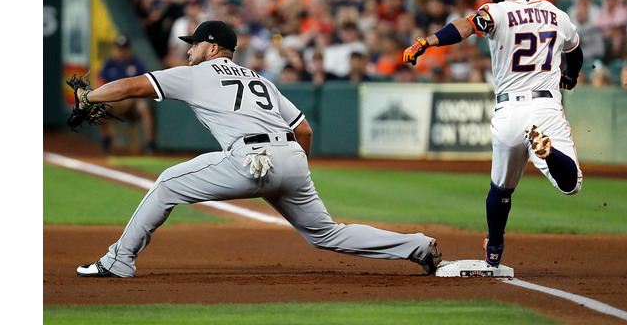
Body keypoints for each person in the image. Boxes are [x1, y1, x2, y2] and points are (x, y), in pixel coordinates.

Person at [76, 20, 442, 278]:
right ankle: (417, 246)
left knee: (167, 183)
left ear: (213, 48)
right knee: (327, 233)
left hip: (250, 159)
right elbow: (304, 129)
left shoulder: (196, 74)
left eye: (195, 43)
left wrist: (88, 97)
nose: (189, 49)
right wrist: (294, 169)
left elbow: (131, 86)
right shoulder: (261, 80)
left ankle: (119, 260)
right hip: (292, 157)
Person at [402, 0, 583, 269]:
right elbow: (575, 53)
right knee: (571, 184)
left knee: (501, 188)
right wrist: (571, 75)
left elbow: (465, 27)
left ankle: (495, 246)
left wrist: (428, 41)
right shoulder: (557, 14)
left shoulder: (497, 11)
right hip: (545, 107)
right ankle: (548, 151)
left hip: (508, 110)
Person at [98, 35, 156, 154]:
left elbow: (146, 86)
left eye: (124, 49)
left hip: (132, 103)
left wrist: (132, 98)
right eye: (120, 49)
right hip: (113, 102)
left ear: (128, 49)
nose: (122, 52)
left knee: (144, 107)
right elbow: (101, 86)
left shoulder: (136, 64)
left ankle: (149, 144)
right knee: (96, 107)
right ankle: (106, 137)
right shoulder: (109, 64)